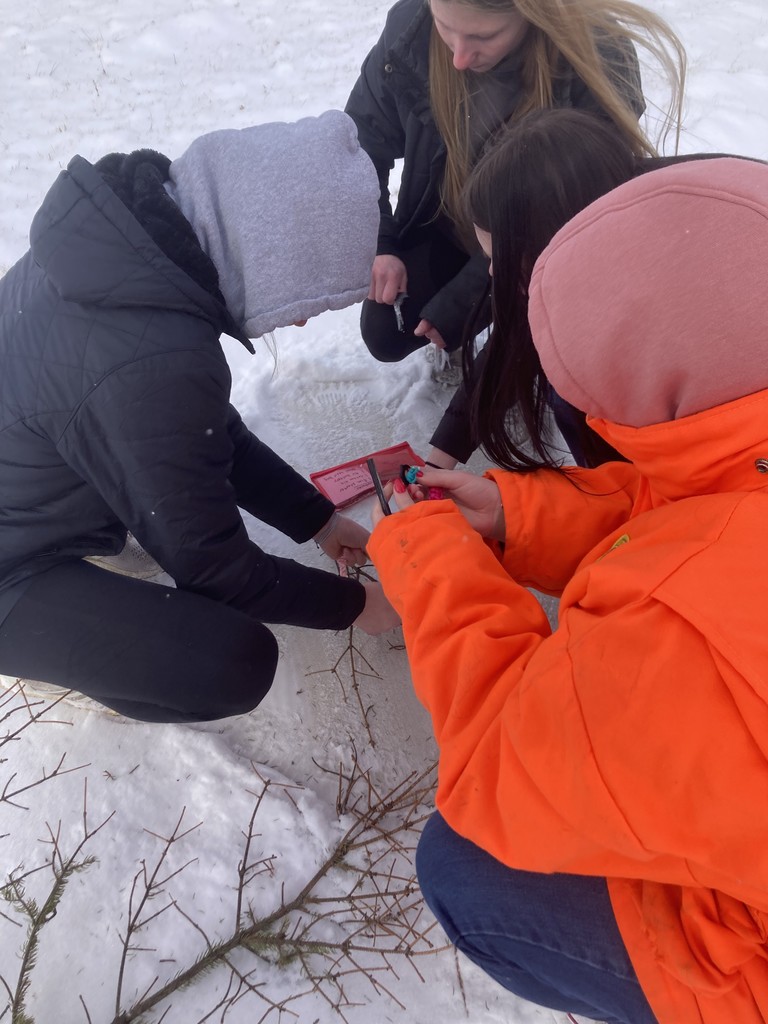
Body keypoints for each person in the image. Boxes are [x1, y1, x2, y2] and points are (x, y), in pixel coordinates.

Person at [367, 156, 768, 1023]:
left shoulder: (684, 629)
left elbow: (500, 763)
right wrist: (516, 514)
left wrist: (428, 556)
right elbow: (697, 500)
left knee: (463, 866)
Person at [0, 110, 399, 724]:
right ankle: (70, 654)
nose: (297, 322)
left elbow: (201, 432)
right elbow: (217, 572)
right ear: (275, 260)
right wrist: (356, 604)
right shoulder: (152, 360)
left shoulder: (122, 250)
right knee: (230, 663)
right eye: (310, 298)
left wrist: (316, 519)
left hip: (22, 484)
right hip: (11, 563)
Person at [345, 0, 685, 366]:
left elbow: (575, 209)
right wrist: (380, 241)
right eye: (445, 26)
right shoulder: (411, 26)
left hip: (539, 244)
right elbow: (358, 142)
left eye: (484, 36)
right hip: (449, 222)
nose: (459, 57)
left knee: (526, 369)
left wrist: (468, 298)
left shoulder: (598, 53)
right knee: (386, 332)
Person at [425, 107, 752, 472]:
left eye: (500, 259)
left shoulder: (682, 300)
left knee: (567, 384)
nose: (491, 272)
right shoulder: (608, 192)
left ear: (556, 237)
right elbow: (516, 337)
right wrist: (441, 456)